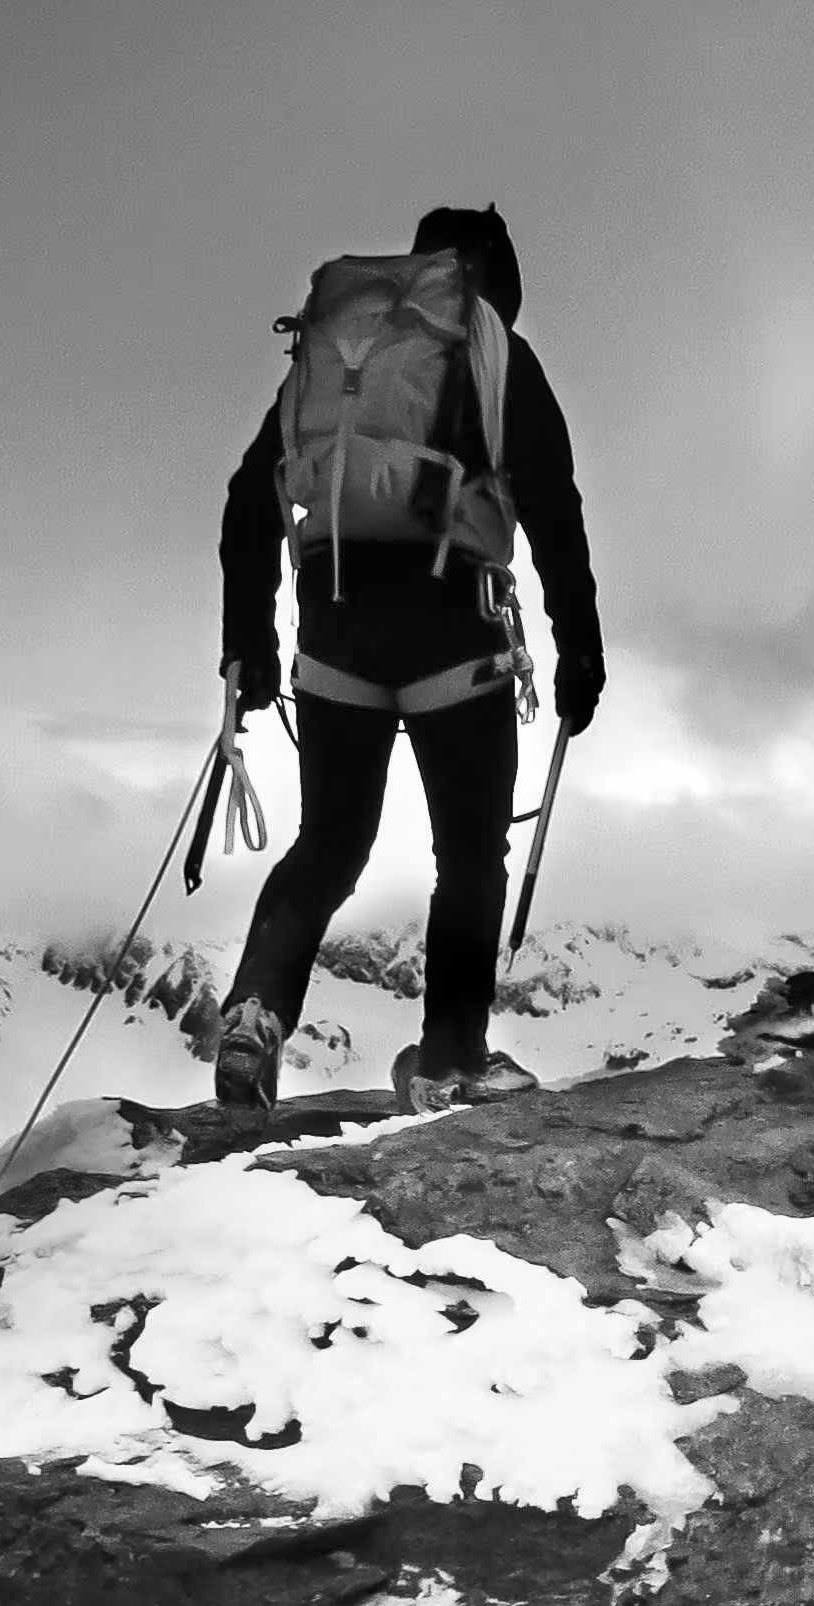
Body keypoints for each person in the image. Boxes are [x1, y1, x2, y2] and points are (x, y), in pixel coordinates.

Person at [207, 203, 605, 1111]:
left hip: (334, 624)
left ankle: (257, 1009)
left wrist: (249, 643)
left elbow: (247, 499)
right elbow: (556, 511)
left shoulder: (338, 357)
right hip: (452, 632)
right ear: (493, 278)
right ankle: (454, 1058)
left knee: (331, 843)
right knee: (469, 856)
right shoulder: (498, 353)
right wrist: (581, 651)